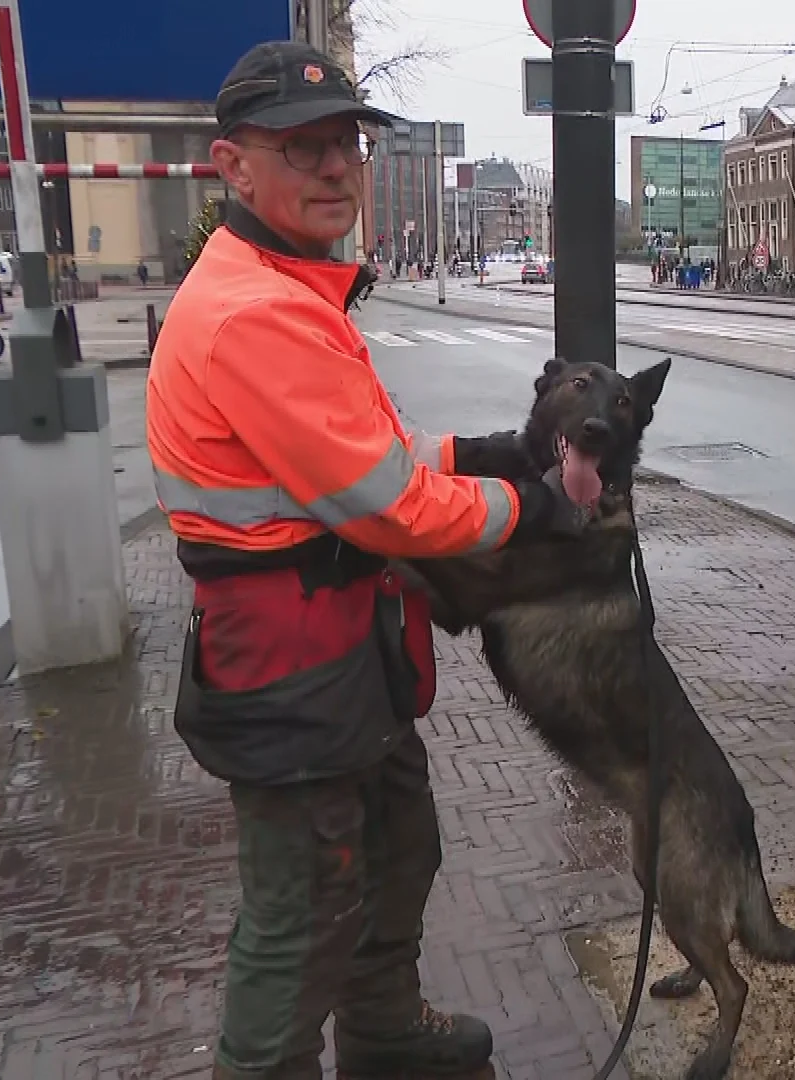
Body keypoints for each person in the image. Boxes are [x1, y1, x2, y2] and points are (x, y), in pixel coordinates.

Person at [144, 41, 593, 1080]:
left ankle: (386, 1035)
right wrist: (528, 505)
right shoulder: (257, 314)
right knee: (302, 916)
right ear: (235, 166)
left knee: (399, 848)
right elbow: (385, 503)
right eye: (303, 148)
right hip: (294, 675)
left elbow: (357, 460)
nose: (338, 166)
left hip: (342, 659)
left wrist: (478, 453)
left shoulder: (287, 287)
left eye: (346, 142)